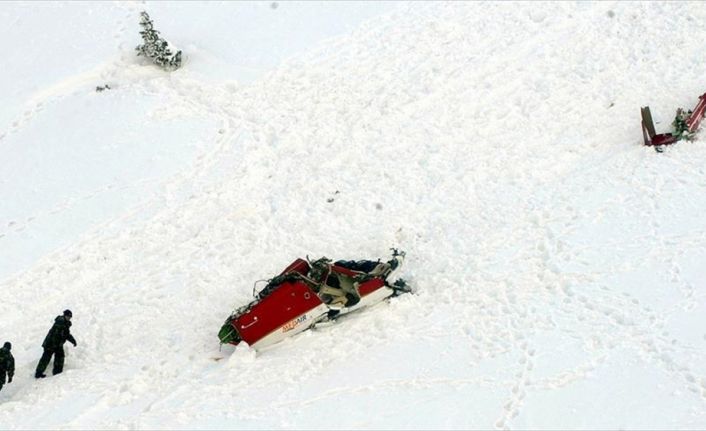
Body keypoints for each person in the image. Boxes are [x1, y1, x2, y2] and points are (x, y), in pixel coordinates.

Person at [35, 309, 77, 378]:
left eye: (70, 317)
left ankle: (57, 372)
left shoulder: (65, 323)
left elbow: (66, 334)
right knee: (46, 358)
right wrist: (55, 345)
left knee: (59, 357)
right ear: (65, 315)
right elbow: (55, 335)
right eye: (68, 316)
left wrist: (73, 341)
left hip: (57, 344)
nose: (69, 318)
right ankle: (39, 373)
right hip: (50, 344)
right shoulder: (60, 322)